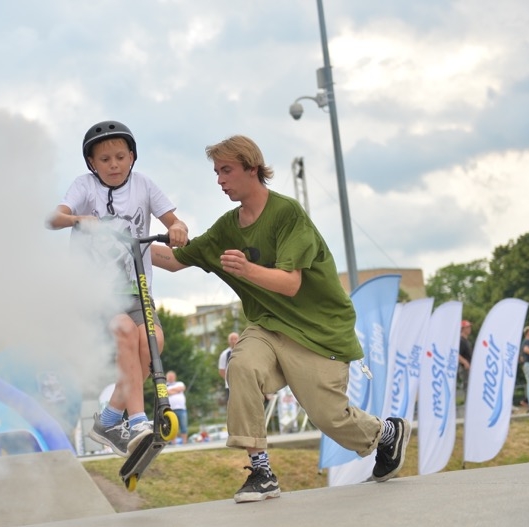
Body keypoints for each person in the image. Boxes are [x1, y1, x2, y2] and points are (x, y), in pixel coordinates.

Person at [151, 134, 410, 503]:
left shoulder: (287, 215)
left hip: (317, 333)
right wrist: (126, 243)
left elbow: (290, 284)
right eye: (216, 173)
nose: (220, 180)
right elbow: (176, 260)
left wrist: (246, 269)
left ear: (252, 169)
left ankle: (385, 434)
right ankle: (261, 470)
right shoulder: (228, 226)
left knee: (330, 418)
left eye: (226, 171)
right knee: (242, 367)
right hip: (267, 327)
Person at [46, 120, 188, 457]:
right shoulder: (84, 187)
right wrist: (78, 220)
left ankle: (109, 420)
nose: (113, 165)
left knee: (152, 343)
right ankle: (137, 420)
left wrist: (179, 228)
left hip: (136, 288)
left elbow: (173, 221)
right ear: (92, 163)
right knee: (126, 332)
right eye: (105, 159)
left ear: (132, 157)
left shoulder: (144, 186)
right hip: (97, 291)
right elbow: (52, 218)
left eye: (120, 157)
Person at [166, 371, 188, 444]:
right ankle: (174, 443)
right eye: (169, 376)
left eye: (172, 376)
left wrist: (171, 391)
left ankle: (184, 442)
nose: (171, 378)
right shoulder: (165, 385)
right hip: (171, 409)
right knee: (173, 428)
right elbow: (167, 392)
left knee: (183, 427)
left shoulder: (180, 383)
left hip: (182, 408)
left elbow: (181, 388)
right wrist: (175, 390)